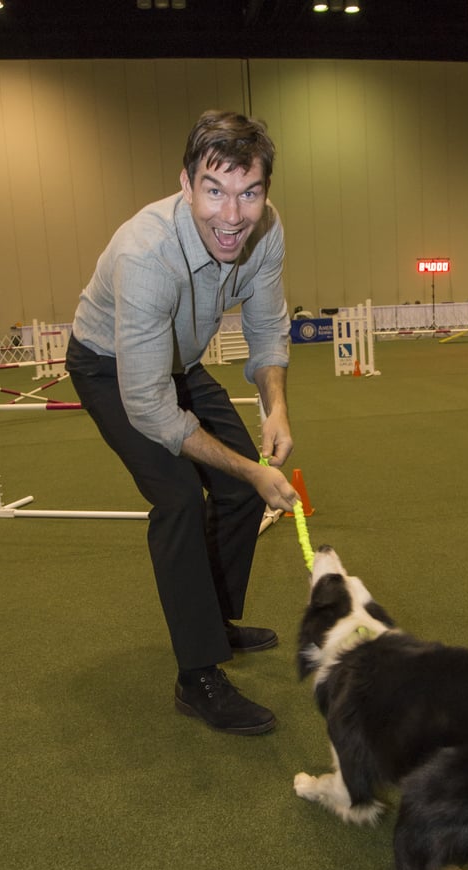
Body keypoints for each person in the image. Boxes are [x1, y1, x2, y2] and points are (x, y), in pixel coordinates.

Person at [66, 111, 299, 737]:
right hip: (112, 368)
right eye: (215, 190)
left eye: (249, 192)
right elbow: (146, 403)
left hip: (178, 361)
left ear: (265, 192)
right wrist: (249, 464)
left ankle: (213, 623)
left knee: (242, 495)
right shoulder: (146, 253)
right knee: (178, 497)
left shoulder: (266, 231)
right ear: (186, 184)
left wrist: (274, 407)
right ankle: (197, 677)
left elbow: (266, 326)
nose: (233, 215)